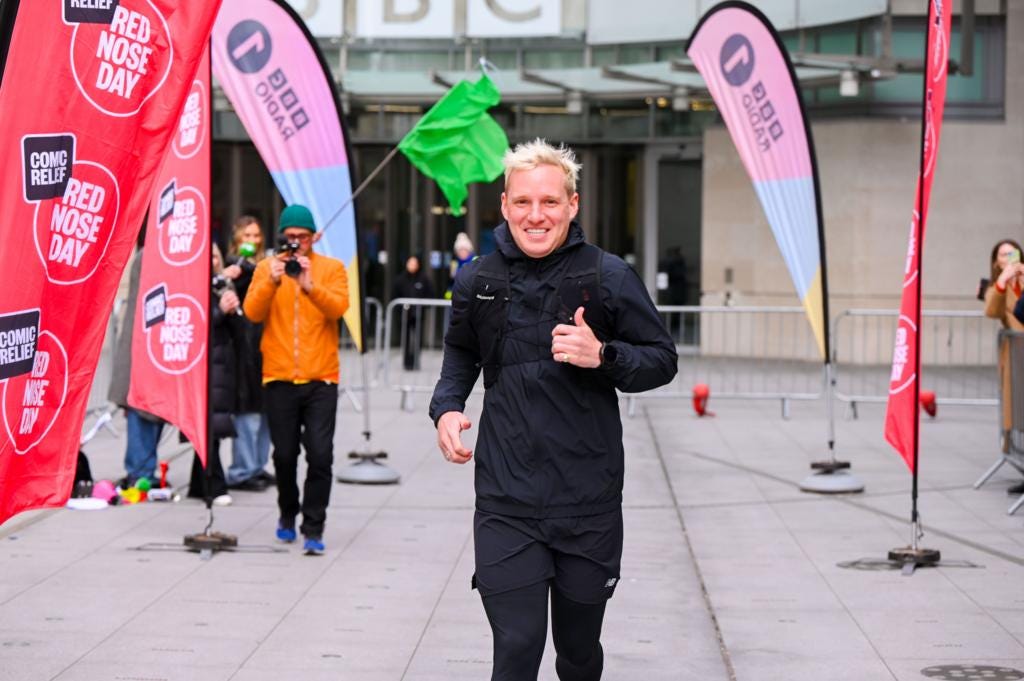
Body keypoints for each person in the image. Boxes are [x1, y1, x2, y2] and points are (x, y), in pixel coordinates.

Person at [429, 139, 678, 681]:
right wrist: (446, 407)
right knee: (517, 646)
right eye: (522, 202)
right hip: (506, 499)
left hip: (588, 501)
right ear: (504, 205)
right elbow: (460, 353)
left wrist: (603, 355)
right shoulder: (477, 280)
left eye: (549, 202)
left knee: (578, 651)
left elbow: (662, 360)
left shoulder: (608, 276)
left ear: (572, 204)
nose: (535, 215)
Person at [243, 204, 349, 555]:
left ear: (313, 238)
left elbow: (338, 308)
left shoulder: (331, 268)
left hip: (322, 379)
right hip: (279, 377)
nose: (296, 244)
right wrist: (272, 281)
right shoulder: (266, 268)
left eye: (302, 238)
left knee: (320, 455)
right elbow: (252, 312)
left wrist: (308, 285)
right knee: (285, 455)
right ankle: (287, 513)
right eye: (290, 238)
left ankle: (314, 526)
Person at [187, 245, 241, 506]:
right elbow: (197, 323)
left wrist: (231, 309)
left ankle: (199, 484)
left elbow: (237, 328)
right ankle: (215, 485)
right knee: (208, 427)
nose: (214, 261)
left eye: (216, 256)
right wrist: (219, 311)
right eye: (209, 256)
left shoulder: (222, 285)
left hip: (221, 364)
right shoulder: (192, 286)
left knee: (213, 427)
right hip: (203, 365)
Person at [108, 238, 165, 488]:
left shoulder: (156, 253)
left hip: (151, 344)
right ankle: (140, 471)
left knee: (152, 411)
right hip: (143, 346)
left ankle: (143, 468)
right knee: (142, 411)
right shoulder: (150, 256)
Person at [223, 216, 274, 492]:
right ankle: (242, 469)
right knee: (248, 413)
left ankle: (257, 465)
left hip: (265, 346)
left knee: (266, 413)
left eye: (256, 235)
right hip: (243, 347)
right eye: (247, 236)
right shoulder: (235, 267)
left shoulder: (265, 264)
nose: (253, 240)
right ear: (237, 239)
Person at [983, 238, 1024, 495]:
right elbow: (992, 310)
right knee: (1019, 414)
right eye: (1003, 255)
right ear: (996, 262)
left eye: (1012, 253)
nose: (1008, 258)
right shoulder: (997, 287)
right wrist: (1003, 281)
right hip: (1016, 357)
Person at [392, 254, 435, 370]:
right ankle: (407, 363)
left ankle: (416, 361)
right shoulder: (400, 279)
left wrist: (423, 306)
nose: (412, 266)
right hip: (405, 315)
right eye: (410, 263)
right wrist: (399, 310)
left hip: (418, 314)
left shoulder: (424, 279)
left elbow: (431, 294)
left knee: (418, 339)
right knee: (405, 339)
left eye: (414, 263)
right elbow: (394, 296)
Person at [446, 231, 475, 299]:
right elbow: (451, 281)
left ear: (468, 250)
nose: (462, 252)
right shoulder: (454, 263)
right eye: (460, 250)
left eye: (464, 250)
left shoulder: (475, 260)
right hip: (457, 296)